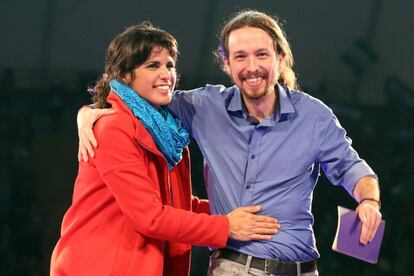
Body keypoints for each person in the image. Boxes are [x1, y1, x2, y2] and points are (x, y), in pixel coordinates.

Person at [77, 11, 382, 276]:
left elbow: (351, 167)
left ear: (281, 57)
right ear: (226, 63)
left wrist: (369, 201)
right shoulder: (203, 107)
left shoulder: (314, 115)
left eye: (261, 54)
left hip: (303, 268)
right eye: (240, 56)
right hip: (236, 267)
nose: (252, 66)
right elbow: (134, 103)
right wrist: (88, 112)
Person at [51, 22, 281, 276]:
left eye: (169, 65)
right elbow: (149, 216)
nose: (166, 74)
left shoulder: (168, 131)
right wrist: (226, 226)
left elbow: (177, 206)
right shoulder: (114, 128)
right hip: (102, 265)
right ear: (125, 75)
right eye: (152, 65)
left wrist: (234, 210)